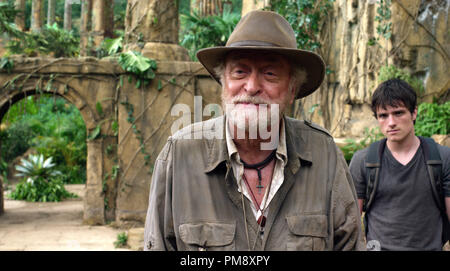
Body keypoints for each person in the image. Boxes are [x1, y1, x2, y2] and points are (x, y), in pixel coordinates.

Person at [144, 10, 365, 251]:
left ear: (292, 89)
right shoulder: (179, 155)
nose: (251, 87)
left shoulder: (323, 154)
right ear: (223, 82)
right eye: (240, 72)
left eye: (269, 74)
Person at [349, 78, 450, 251]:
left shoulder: (441, 158)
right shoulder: (364, 161)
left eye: (398, 113)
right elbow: (349, 226)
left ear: (414, 113)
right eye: (383, 115)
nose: (391, 122)